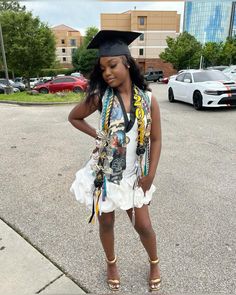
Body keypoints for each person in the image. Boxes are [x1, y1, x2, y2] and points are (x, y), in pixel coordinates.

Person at [68, 30, 162, 292]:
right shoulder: (101, 97)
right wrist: (99, 135)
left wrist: (150, 174)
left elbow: (155, 140)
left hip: (134, 174)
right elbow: (74, 117)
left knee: (143, 225)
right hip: (105, 175)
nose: (107, 72)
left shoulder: (149, 99)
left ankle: (154, 262)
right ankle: (111, 263)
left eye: (113, 65)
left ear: (128, 63)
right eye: (103, 68)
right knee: (106, 221)